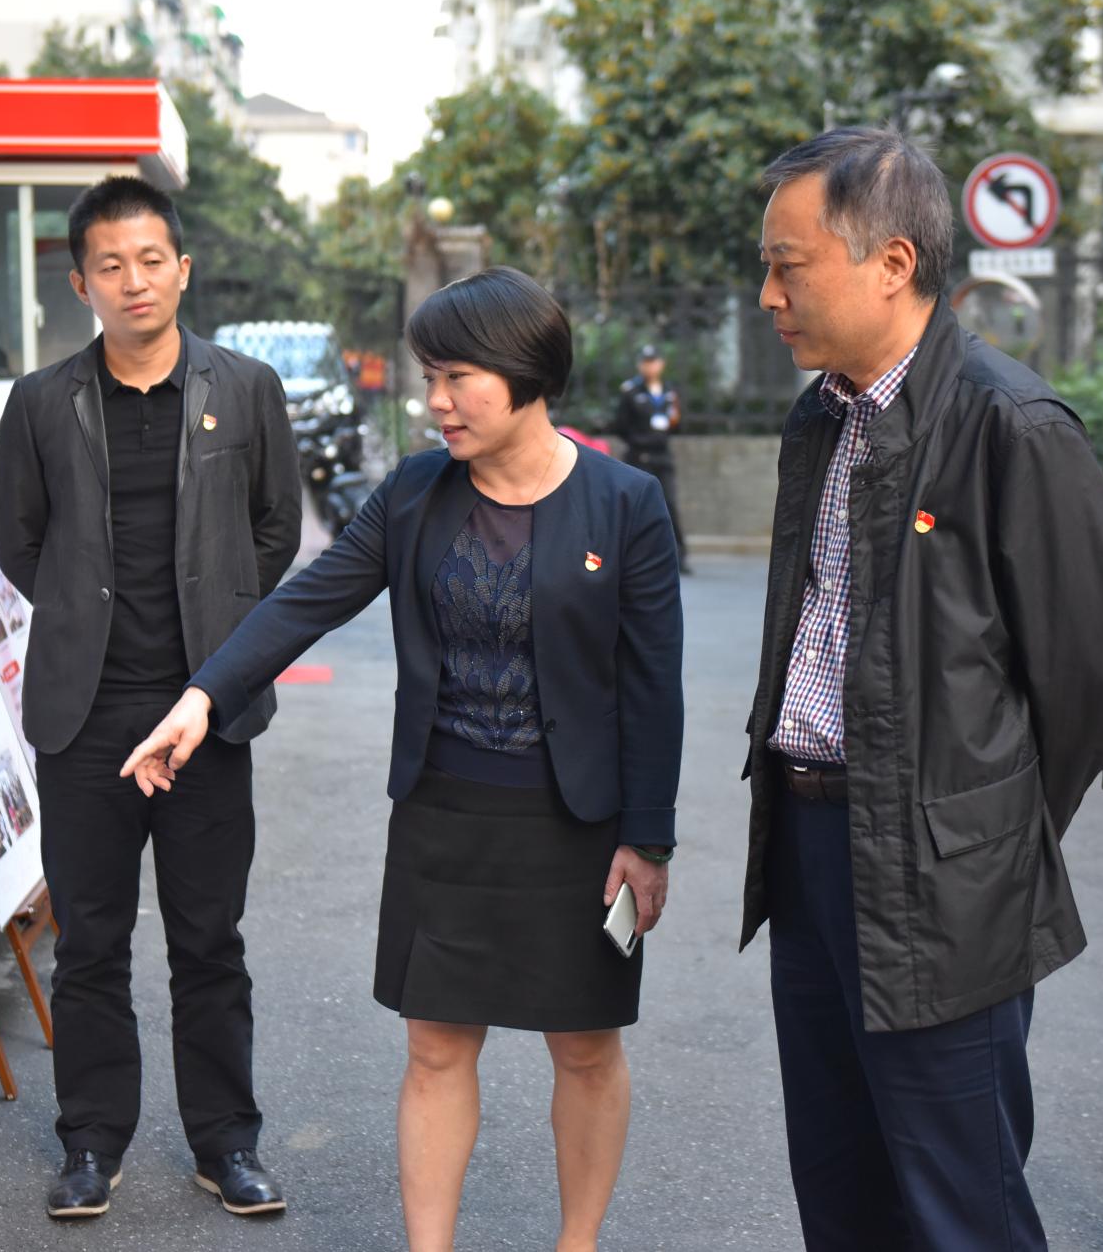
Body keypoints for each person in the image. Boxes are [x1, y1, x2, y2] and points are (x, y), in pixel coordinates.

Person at [121, 266, 682, 1252]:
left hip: (580, 828)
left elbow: (651, 687)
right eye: (430, 378)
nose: (434, 403)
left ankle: (578, 1241)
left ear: (523, 372)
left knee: (587, 1049)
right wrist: (202, 698)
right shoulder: (416, 494)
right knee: (434, 1048)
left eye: (456, 378)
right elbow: (306, 601)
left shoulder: (624, 502)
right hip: (444, 812)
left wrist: (648, 839)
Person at [739, 127, 1103, 1249]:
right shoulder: (820, 416)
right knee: (840, 1184)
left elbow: (1087, 680)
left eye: (787, 264)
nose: (768, 294)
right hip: (806, 845)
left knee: (959, 1204)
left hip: (943, 875)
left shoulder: (1012, 425)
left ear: (893, 263)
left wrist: (976, 835)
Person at [0, 175, 303, 1221]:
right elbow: (23, 545)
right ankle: (91, 1141)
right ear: (81, 283)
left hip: (207, 711)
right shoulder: (41, 402)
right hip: (85, 718)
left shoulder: (246, 388)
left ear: (183, 268)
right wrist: (89, 623)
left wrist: (218, 651)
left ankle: (227, 1142)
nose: (135, 281)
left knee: (209, 938)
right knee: (89, 943)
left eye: (151, 260)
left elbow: (273, 530)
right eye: (111, 265)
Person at [612, 343, 689, 572]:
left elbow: (678, 423)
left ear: (661, 364)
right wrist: (640, 440)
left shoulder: (669, 391)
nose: (650, 367)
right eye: (645, 362)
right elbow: (620, 425)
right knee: (632, 508)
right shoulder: (631, 391)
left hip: (662, 456)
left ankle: (678, 557)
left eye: (653, 362)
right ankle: (626, 558)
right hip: (638, 457)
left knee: (669, 505)